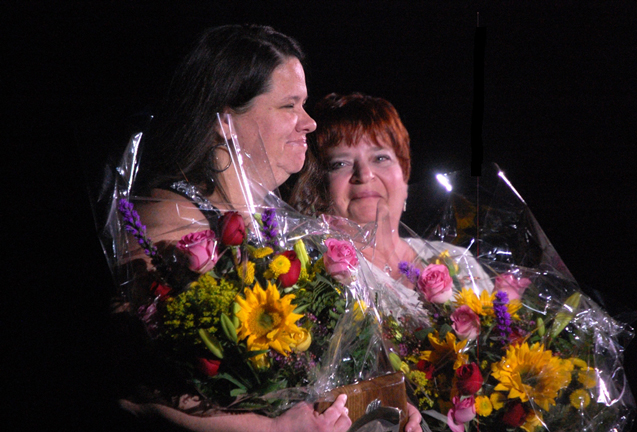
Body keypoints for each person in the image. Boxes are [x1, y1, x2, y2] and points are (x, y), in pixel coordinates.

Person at [113, 27, 421, 432]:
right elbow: (139, 388)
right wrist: (276, 429)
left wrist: (379, 401)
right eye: (289, 106)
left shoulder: (279, 224)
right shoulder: (168, 218)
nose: (309, 123)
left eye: (304, 104)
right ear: (225, 119)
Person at [290, 93, 493, 320]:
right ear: (319, 184)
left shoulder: (460, 264)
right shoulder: (311, 278)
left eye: (380, 158)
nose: (364, 175)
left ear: (404, 171)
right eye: (340, 163)